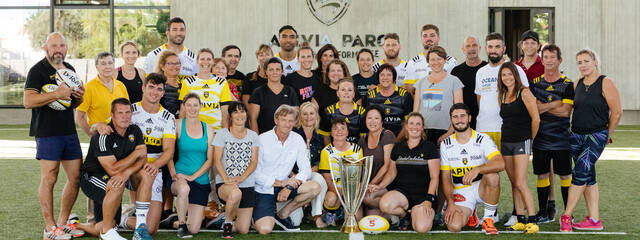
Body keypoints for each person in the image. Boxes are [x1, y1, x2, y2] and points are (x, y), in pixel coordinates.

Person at [23, 32, 85, 240]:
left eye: (62, 46)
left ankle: (62, 223)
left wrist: (78, 98)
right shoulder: (37, 70)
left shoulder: (70, 70)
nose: (58, 49)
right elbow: (28, 101)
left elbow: (72, 104)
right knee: (50, 177)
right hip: (47, 132)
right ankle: (49, 228)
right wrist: (57, 94)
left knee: (75, 178)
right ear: (46, 48)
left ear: (66, 48)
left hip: (69, 131)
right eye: (54, 46)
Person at [560, 48, 622, 232]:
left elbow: (617, 112)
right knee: (588, 176)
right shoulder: (577, 83)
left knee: (579, 173)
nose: (583, 65)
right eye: (579, 62)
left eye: (586, 61)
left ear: (595, 62)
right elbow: (569, 109)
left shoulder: (605, 82)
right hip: (576, 136)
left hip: (597, 135)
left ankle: (567, 215)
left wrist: (607, 134)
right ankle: (594, 220)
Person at [76, 98, 153, 240]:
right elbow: (112, 169)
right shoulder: (103, 135)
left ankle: (140, 228)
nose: (125, 116)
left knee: (146, 174)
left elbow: (143, 159)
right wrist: (135, 153)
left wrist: (128, 172)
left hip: (119, 176)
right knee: (117, 185)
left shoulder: (135, 130)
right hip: (93, 177)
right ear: (112, 115)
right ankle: (102, 232)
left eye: (127, 112)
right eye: (120, 113)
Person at [253, 105, 321, 233]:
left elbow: (306, 170)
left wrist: (289, 187)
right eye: (284, 120)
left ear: (295, 122)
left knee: (315, 187)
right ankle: (255, 214)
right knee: (265, 229)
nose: (287, 124)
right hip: (264, 190)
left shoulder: (297, 139)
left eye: (291, 121)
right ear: (276, 120)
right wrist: (281, 183)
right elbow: (255, 174)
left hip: (285, 188)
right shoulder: (262, 139)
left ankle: (282, 215)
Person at [440, 103, 504, 235]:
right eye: (455, 117)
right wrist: (450, 202)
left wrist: (477, 170)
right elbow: (445, 177)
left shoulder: (483, 139)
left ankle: (488, 219)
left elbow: (500, 163)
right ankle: (471, 213)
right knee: (454, 227)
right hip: (461, 192)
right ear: (451, 120)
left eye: (463, 116)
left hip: (481, 187)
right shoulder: (446, 144)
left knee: (493, 175)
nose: (459, 120)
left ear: (469, 118)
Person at [530, 44, 574, 223]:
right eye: (545, 57)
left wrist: (543, 107)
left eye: (552, 57)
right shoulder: (535, 83)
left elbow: (566, 112)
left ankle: (567, 214)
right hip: (540, 138)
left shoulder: (568, 84)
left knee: (565, 176)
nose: (548, 61)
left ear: (559, 60)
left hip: (562, 139)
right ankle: (543, 212)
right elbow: (533, 110)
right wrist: (555, 103)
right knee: (542, 175)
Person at [498, 62, 540, 233]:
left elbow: (536, 119)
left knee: (521, 182)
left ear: (515, 75)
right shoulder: (501, 95)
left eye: (509, 74)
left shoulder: (525, 92)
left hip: (522, 142)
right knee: (514, 182)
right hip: (506, 142)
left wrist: (530, 140)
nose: (507, 78)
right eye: (503, 75)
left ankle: (533, 220)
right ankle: (520, 219)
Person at [379, 112, 439, 232]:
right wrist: (379, 186)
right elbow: (391, 173)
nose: (414, 127)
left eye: (418, 124)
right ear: (406, 126)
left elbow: (435, 177)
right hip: (403, 193)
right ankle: (404, 216)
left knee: (421, 228)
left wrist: (429, 199)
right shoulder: (398, 147)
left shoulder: (430, 147)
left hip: (423, 196)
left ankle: (419, 215)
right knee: (384, 205)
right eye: (411, 123)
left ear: (422, 127)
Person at [168, 93, 215, 238]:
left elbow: (210, 160)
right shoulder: (177, 124)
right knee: (184, 188)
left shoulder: (209, 129)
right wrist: (174, 175)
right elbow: (168, 154)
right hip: (180, 175)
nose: (192, 108)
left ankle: (173, 221)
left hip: (200, 180)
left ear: (200, 107)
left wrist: (192, 176)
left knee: (194, 229)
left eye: (195, 105)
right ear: (184, 107)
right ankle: (181, 225)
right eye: (189, 105)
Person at [475, 32, 529, 151]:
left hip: (507, 128)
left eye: (497, 47)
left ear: (504, 49)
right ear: (485, 49)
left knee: (512, 169)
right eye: (490, 47)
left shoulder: (515, 70)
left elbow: (526, 97)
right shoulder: (480, 72)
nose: (493, 50)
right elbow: (480, 100)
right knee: (488, 168)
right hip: (483, 128)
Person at [213, 101, 259, 238]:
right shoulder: (222, 134)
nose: (240, 115)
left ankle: (220, 219)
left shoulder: (253, 136)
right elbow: (217, 160)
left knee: (243, 229)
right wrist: (227, 180)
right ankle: (227, 223)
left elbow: (254, 162)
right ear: (230, 116)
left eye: (242, 111)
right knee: (235, 193)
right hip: (225, 183)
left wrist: (241, 178)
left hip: (247, 183)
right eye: (236, 111)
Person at [413, 46, 463, 145]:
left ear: (444, 60)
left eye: (439, 59)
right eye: (432, 59)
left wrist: (449, 133)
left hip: (446, 131)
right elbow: (416, 112)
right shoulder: (420, 83)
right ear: (428, 62)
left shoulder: (454, 81)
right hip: (424, 131)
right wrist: (419, 131)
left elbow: (459, 111)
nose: (436, 62)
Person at [318, 118, 364, 226]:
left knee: (356, 219)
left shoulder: (357, 149)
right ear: (331, 133)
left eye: (343, 128)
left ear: (347, 132)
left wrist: (349, 193)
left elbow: (359, 176)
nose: (339, 131)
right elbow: (327, 179)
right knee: (331, 200)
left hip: (352, 190)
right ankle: (332, 212)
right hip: (335, 189)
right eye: (336, 129)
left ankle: (345, 211)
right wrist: (340, 192)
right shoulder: (326, 151)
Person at [76, 52, 130, 136]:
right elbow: (79, 117)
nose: (107, 67)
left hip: (121, 137)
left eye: (110, 63)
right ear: (97, 67)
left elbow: (127, 112)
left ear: (113, 65)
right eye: (103, 64)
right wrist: (92, 135)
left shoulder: (121, 86)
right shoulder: (89, 87)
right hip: (101, 137)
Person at [293, 102, 329, 228]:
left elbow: (321, 161)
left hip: (311, 173)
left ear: (316, 116)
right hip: (293, 176)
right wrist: (297, 177)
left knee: (320, 180)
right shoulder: (293, 134)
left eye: (312, 113)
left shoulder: (320, 137)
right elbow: (286, 161)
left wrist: (309, 172)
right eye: (305, 114)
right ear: (300, 116)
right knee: (295, 222)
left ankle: (317, 216)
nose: (309, 117)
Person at [179, 49, 232, 129]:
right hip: (193, 131)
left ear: (213, 62)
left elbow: (225, 113)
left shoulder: (222, 83)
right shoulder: (187, 82)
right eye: (202, 59)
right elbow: (183, 111)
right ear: (197, 61)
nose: (205, 62)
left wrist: (224, 133)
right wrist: (182, 132)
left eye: (208, 59)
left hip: (216, 131)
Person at [357, 105, 395, 218]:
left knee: (367, 198)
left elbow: (387, 165)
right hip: (368, 186)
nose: (372, 121)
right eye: (369, 118)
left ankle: (391, 208)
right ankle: (383, 209)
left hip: (384, 184)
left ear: (382, 121)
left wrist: (371, 184)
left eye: (376, 118)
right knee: (365, 218)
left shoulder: (387, 135)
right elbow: (359, 165)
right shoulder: (363, 139)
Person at [249, 57, 300, 133]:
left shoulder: (290, 91)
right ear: (266, 71)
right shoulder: (258, 92)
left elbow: (296, 118)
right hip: (264, 138)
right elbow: (252, 119)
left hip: (287, 137)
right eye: (271, 70)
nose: (275, 72)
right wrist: (257, 141)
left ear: (282, 71)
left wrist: (290, 137)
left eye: (277, 69)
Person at [405, 24, 457, 94]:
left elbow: (455, 89)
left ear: (438, 38)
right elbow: (410, 92)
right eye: (425, 36)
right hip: (422, 104)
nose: (428, 39)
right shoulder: (412, 63)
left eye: (432, 35)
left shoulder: (451, 61)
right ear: (421, 38)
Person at [362, 63, 413, 135]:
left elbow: (408, 122)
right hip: (377, 138)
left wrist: (399, 140)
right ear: (378, 78)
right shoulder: (369, 96)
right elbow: (365, 122)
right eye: (382, 75)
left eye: (389, 75)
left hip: (400, 138)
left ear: (394, 77)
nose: (385, 78)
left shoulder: (404, 95)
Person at [451, 36, 488, 129]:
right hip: (463, 121)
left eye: (474, 45)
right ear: (463, 49)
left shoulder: (488, 68)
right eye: (468, 46)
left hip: (485, 119)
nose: (471, 48)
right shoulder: (456, 71)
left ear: (479, 48)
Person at [319, 78, 366, 144]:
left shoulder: (362, 112)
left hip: (355, 151)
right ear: (338, 93)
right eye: (343, 90)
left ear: (353, 94)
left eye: (349, 90)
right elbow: (326, 136)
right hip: (335, 151)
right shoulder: (328, 112)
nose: (346, 92)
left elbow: (363, 138)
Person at [156, 51, 189, 117]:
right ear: (162, 66)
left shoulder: (185, 85)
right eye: (170, 63)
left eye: (177, 63)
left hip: (182, 124)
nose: (175, 66)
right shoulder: (157, 86)